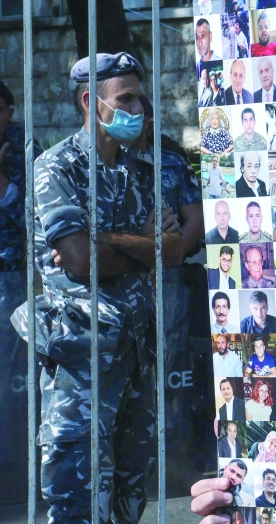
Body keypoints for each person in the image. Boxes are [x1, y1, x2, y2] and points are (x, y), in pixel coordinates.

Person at [15, 53, 184, 524]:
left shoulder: (139, 171)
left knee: (129, 499)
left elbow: (171, 249)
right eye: (125, 98)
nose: (139, 107)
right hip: (82, 367)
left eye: (139, 97)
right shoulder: (57, 169)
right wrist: (138, 242)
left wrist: (106, 239)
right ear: (92, 101)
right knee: (76, 502)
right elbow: (79, 260)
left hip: (135, 359)